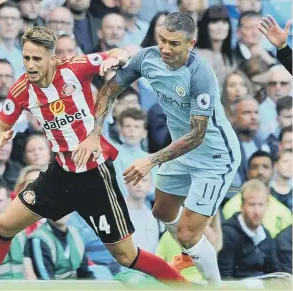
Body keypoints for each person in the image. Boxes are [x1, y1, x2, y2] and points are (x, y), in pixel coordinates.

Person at [0, 26, 186, 284]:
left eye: (37, 58)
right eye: (26, 58)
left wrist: (113, 58)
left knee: (126, 256)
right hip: (60, 175)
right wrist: (0, 137)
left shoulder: (75, 68)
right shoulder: (21, 90)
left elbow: (118, 52)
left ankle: (183, 287)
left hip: (95, 176)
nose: (30, 65)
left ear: (52, 57)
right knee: (4, 226)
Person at [92, 12, 241, 288]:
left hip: (215, 158)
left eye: (173, 43)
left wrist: (150, 160)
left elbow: (197, 134)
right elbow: (108, 91)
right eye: (162, 40)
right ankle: (193, 252)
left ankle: (215, 285)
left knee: (186, 234)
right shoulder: (147, 58)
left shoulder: (200, 75)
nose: (165, 48)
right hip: (180, 151)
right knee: (161, 212)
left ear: (191, 44)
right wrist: (94, 134)